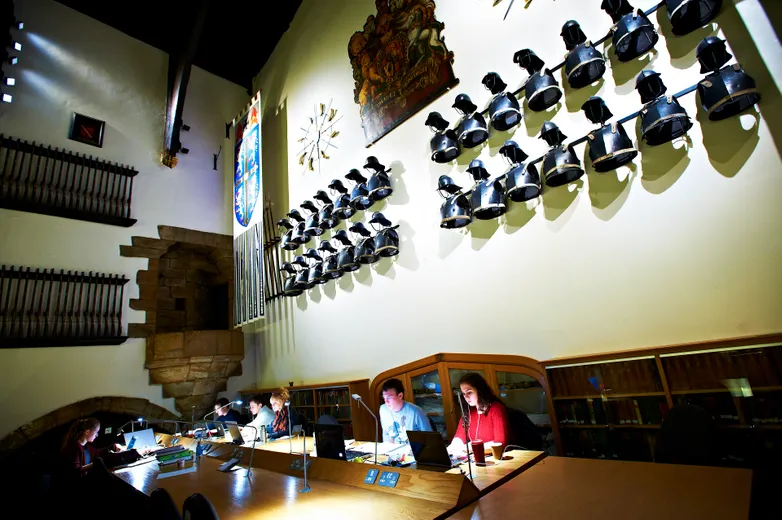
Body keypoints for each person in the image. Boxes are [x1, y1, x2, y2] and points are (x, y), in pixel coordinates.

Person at [447, 372, 512, 455]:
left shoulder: (496, 409)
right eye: (463, 394)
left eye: (469, 392)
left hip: (499, 457)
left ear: (480, 390)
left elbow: (500, 443)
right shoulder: (469, 411)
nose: (466, 397)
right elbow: (460, 436)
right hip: (478, 456)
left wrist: (470, 447)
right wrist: (449, 449)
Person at [60, 417, 148, 476]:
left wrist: (113, 447)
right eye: (96, 432)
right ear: (87, 432)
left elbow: (99, 452)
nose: (97, 435)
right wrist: (95, 464)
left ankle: (135, 453)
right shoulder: (74, 448)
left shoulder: (85, 446)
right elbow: (75, 472)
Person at [379, 378, 432, 444]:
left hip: (412, 452)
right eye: (384, 398)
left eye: (389, 397)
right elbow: (386, 434)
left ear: (400, 395)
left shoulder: (416, 412)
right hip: (393, 452)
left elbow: (430, 439)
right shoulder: (383, 409)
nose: (386, 401)